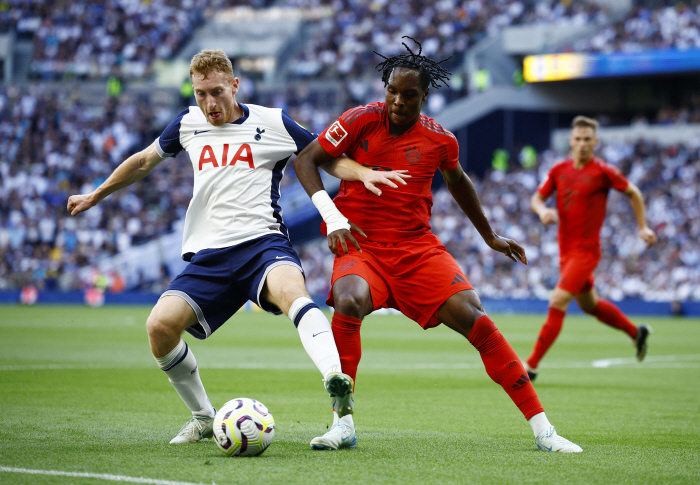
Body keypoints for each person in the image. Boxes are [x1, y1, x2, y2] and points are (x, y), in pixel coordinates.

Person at [66, 49, 405, 445]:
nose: (210, 103)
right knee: (159, 327)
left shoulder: (272, 122)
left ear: (235, 86)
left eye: (217, 92)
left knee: (293, 293)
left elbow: (324, 159)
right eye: (200, 94)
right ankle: (204, 417)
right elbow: (143, 161)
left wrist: (362, 172)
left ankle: (334, 378)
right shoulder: (187, 124)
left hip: (263, 243)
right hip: (209, 255)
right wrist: (96, 194)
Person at [293, 37, 582, 453]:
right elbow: (307, 159)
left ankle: (544, 430)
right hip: (362, 246)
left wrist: (490, 236)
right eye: (391, 91)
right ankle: (343, 423)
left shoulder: (440, 140)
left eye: (408, 95)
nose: (396, 102)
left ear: (424, 96)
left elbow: (458, 180)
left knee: (475, 317)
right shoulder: (359, 120)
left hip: (415, 249)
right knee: (348, 299)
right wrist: (332, 216)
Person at [524, 116, 657, 381]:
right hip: (565, 251)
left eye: (587, 139)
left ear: (595, 142)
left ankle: (530, 366)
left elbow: (634, 192)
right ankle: (636, 333)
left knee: (558, 300)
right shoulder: (559, 170)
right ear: (570, 141)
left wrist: (643, 227)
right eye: (578, 139)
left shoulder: (604, 171)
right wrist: (542, 211)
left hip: (586, 252)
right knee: (590, 305)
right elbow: (537, 198)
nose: (582, 144)